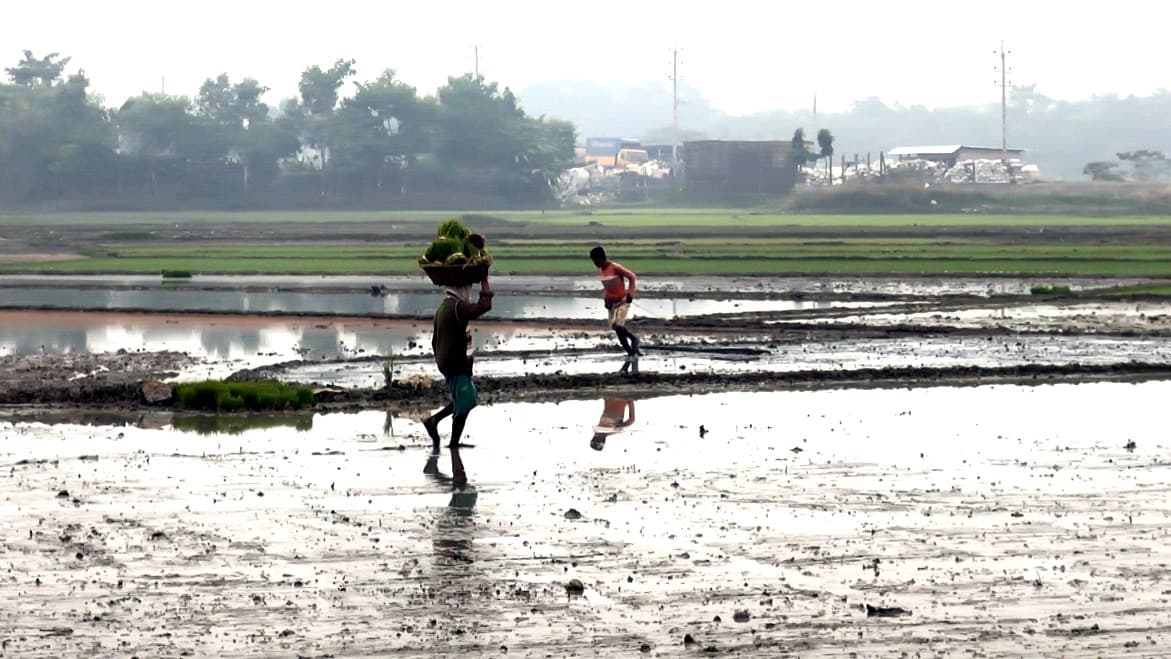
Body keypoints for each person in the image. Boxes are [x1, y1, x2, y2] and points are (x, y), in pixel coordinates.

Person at [423, 278, 493, 457]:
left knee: (463, 398)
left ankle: (434, 421)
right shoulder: (457, 308)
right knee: (467, 400)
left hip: (448, 361)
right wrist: (485, 282)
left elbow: (435, 340)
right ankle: (453, 445)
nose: (469, 291)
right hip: (454, 363)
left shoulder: (444, 307)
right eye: (467, 287)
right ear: (461, 289)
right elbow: (484, 306)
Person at [589, 246, 640, 356]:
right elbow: (608, 288)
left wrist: (631, 294)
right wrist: (606, 300)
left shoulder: (615, 267)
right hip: (611, 303)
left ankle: (634, 339)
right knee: (615, 327)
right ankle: (631, 352)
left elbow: (632, 277)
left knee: (619, 326)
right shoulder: (601, 271)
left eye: (595, 260)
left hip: (622, 301)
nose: (594, 263)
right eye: (593, 261)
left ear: (601, 258)